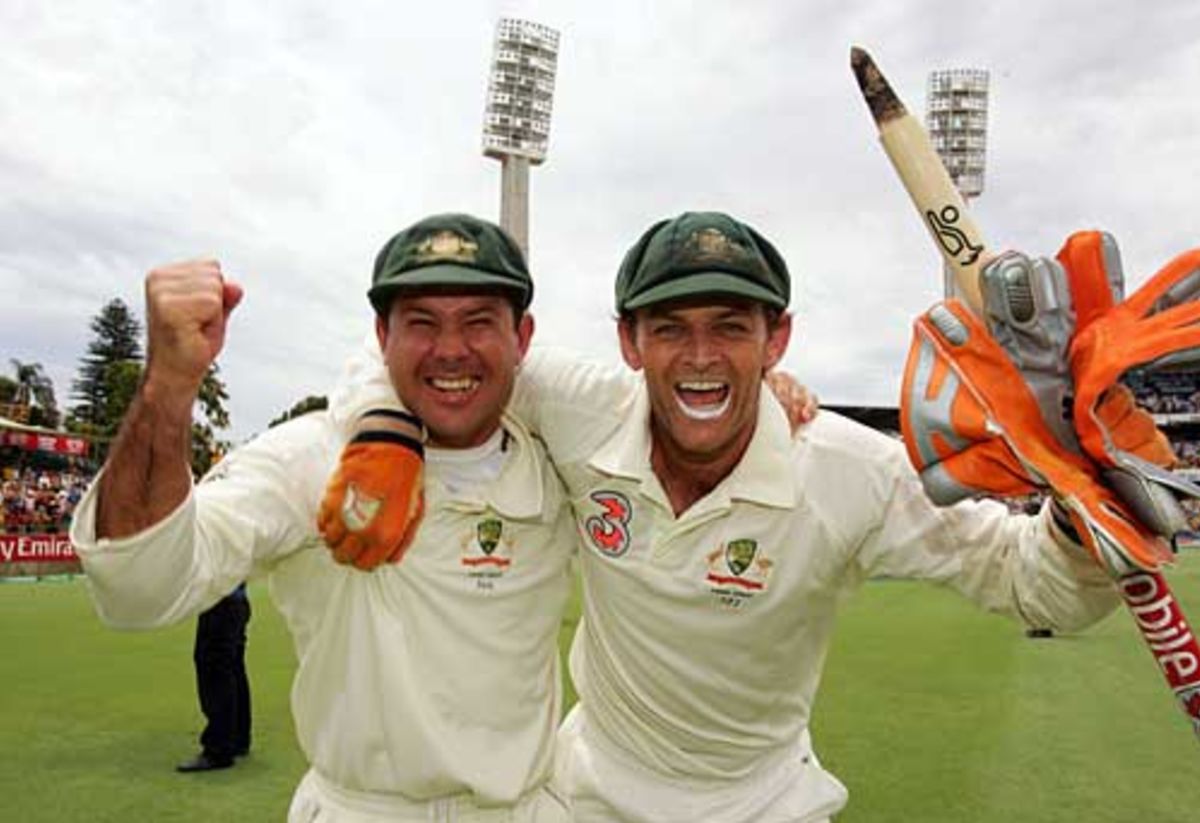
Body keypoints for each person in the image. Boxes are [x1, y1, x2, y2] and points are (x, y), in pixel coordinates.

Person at [327, 211, 1125, 822]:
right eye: (670, 329)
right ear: (629, 343)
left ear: (776, 339)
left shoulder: (851, 470)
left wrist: (1091, 501)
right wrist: (382, 430)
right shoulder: (580, 406)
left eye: (731, 328)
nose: (700, 356)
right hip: (594, 797)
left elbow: (1035, 587)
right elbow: (427, 354)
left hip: (764, 804)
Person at [70, 214, 578, 821]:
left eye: (478, 322)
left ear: (522, 338)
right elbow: (137, 588)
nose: (450, 349)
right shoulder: (309, 458)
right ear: (380, 335)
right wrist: (169, 385)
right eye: (421, 322)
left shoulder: (561, 466)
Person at [177, 582, 252, 773]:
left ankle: (219, 749)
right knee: (232, 666)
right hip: (236, 600)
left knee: (213, 665)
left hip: (219, 601)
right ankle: (237, 738)